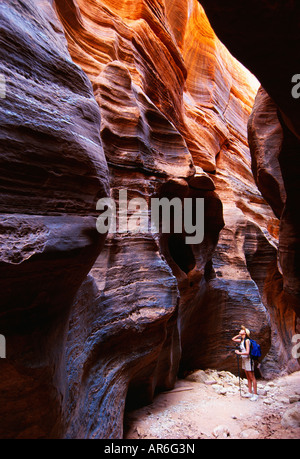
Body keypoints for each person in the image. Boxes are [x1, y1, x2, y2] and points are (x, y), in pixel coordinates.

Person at [232, 326, 258, 401]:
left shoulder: (247, 341)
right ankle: (250, 392)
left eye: (242, 330)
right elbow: (233, 339)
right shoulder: (242, 340)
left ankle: (255, 394)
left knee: (252, 377)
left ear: (245, 333)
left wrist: (239, 352)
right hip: (244, 359)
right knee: (248, 377)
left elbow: (247, 352)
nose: (240, 330)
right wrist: (239, 335)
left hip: (248, 360)